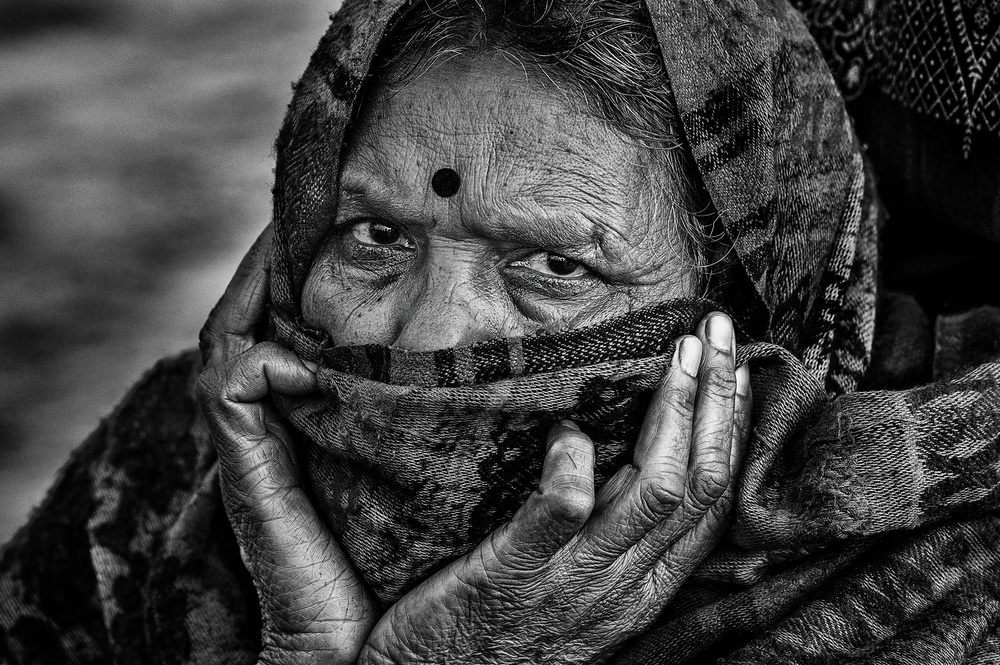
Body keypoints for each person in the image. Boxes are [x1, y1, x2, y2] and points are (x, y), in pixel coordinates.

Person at [1, 0, 998, 664]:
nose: (433, 339)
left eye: (554, 264)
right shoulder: (165, 478)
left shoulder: (951, 596)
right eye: (377, 235)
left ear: (746, 312)